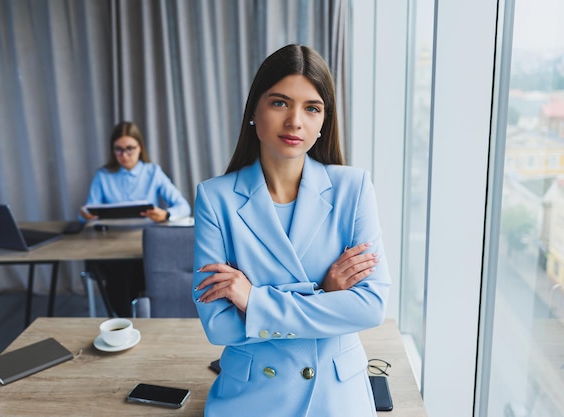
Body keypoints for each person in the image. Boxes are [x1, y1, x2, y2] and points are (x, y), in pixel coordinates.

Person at [192, 44, 391, 416]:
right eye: (280, 103)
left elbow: (371, 307)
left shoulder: (354, 188)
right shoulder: (214, 198)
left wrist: (254, 301)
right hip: (250, 397)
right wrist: (327, 296)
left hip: (336, 397)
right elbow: (218, 326)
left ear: (323, 121)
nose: (295, 121)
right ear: (254, 109)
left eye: (311, 108)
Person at [81, 121, 191, 317]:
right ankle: (124, 319)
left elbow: (184, 207)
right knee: (120, 275)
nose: (124, 155)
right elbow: (86, 215)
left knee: (146, 270)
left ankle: (142, 318)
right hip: (112, 246)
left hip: (145, 244)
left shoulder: (152, 172)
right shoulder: (103, 175)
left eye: (130, 149)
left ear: (140, 148)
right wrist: (86, 215)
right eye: (119, 150)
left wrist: (165, 214)